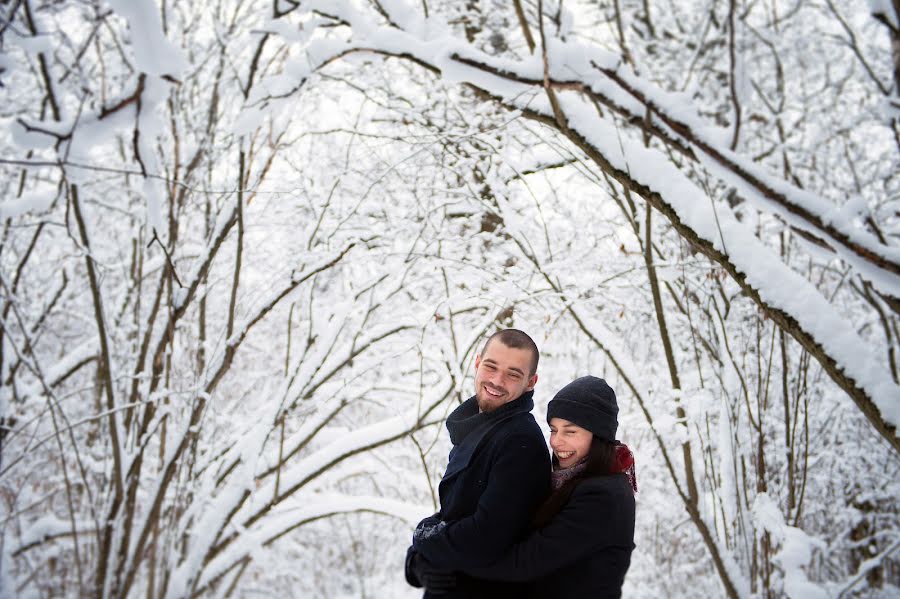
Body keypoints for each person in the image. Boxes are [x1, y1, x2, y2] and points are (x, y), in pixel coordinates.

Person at [413, 376, 637, 599]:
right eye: (553, 429)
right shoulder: (565, 481)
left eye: (570, 431)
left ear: (598, 436)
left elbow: (524, 562)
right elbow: (483, 517)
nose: (556, 441)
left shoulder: (605, 497)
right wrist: (422, 553)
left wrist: (445, 559)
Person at [405, 329, 551, 598]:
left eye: (513, 374)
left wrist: (423, 543)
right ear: (477, 363)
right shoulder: (482, 429)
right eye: (491, 367)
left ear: (531, 382)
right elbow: (454, 515)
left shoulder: (520, 441)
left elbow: (485, 536)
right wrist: (417, 561)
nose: (497, 380)